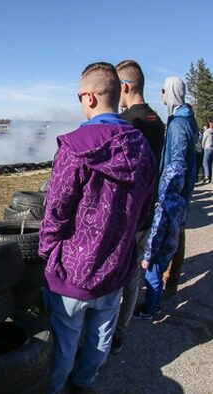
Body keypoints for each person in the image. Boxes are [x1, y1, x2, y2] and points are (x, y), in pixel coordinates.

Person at [39, 62, 156, 394]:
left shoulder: (76, 146)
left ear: (89, 97)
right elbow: (146, 209)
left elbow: (56, 210)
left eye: (79, 95)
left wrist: (48, 254)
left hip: (71, 271)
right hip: (115, 266)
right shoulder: (142, 147)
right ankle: (85, 383)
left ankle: (57, 387)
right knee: (101, 337)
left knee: (64, 339)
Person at [111, 60, 166, 353]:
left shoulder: (130, 122)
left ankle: (109, 334)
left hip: (130, 212)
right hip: (149, 207)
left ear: (125, 87)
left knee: (118, 272)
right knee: (134, 275)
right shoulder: (156, 119)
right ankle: (122, 329)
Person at [137, 76, 198, 305]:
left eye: (163, 90)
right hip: (182, 191)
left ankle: (164, 287)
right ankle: (169, 281)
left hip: (174, 193)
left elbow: (177, 164)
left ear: (171, 92)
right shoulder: (186, 119)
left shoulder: (178, 125)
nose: (161, 94)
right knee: (176, 234)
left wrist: (167, 194)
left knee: (168, 238)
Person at [135, 162, 187, 320]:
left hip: (159, 249)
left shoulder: (163, 205)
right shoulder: (181, 201)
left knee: (152, 278)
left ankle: (149, 310)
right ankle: (156, 305)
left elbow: (156, 233)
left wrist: (147, 256)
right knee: (158, 275)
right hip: (172, 246)